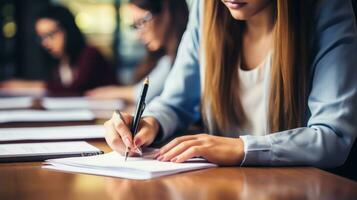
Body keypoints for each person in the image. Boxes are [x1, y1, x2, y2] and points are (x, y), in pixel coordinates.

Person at [103, 0, 357, 170]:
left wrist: (241, 148)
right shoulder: (206, 9)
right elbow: (174, 103)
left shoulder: (326, 8)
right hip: (220, 187)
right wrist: (150, 123)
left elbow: (332, 136)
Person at [86, 0, 189, 103]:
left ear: (166, 14)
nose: (138, 35)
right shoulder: (161, 58)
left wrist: (108, 92)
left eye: (141, 22)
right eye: (135, 26)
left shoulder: (181, 59)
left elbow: (140, 94)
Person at [0, 5, 116, 95]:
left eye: (51, 34)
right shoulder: (59, 61)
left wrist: (26, 86)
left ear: (69, 30)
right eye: (41, 37)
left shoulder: (90, 53)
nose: (45, 42)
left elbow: (76, 89)